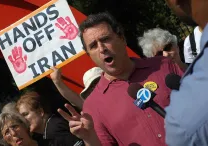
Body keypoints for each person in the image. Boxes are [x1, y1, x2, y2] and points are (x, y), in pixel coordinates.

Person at [61, 12, 184, 146]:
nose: (102, 49)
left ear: (122, 38)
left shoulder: (163, 65)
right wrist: (89, 139)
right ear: (89, 55)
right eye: (93, 46)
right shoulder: (93, 106)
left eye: (105, 39)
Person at [164, 0, 208, 145]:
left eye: (168, 46)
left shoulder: (182, 123)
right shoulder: (191, 43)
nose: (165, 53)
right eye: (159, 53)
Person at [16, 91, 85, 146]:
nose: (23, 120)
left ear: (40, 112)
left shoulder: (55, 128)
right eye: (21, 117)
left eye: (25, 114)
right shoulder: (50, 130)